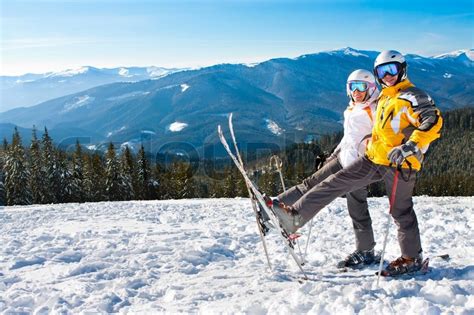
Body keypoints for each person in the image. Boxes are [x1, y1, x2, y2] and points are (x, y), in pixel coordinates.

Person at [270, 50, 443, 276]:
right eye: (382, 71)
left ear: (402, 69)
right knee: (333, 183)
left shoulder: (411, 95)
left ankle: (411, 258)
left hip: (401, 163)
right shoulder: (384, 97)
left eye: (392, 70)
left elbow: (432, 119)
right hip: (374, 158)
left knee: (400, 211)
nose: (387, 75)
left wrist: (410, 145)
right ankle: (294, 217)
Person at [272, 69, 380, 269]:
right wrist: (332, 155)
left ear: (372, 88)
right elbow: (349, 138)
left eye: (361, 87)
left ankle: (366, 251)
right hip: (343, 159)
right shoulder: (354, 108)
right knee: (315, 186)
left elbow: (384, 135)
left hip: (359, 165)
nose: (356, 91)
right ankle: (275, 204)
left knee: (342, 200)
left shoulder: (375, 109)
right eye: (352, 87)